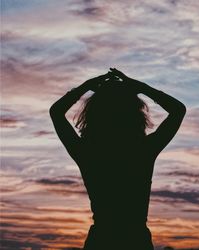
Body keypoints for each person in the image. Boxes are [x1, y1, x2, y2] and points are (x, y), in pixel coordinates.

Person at [49, 68, 186, 249]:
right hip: (136, 240)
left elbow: (56, 112)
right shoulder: (143, 150)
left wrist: (87, 86)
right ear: (134, 113)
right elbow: (178, 110)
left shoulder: (88, 152)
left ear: (94, 114)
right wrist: (141, 87)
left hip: (101, 240)